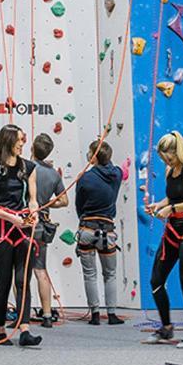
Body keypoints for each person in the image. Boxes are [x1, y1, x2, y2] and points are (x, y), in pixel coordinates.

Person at [142, 131, 183, 348]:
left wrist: (172, 208)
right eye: (163, 159)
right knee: (156, 280)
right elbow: (174, 195)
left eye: (168, 158)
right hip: (173, 229)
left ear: (177, 151)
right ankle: (167, 327)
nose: (165, 162)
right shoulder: (171, 170)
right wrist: (159, 205)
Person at [0, 124, 42, 347]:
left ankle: (25, 330)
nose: (22, 143)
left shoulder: (28, 168)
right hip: (2, 231)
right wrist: (10, 217)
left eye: (23, 140)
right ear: (8, 141)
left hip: (24, 228)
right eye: (19, 140)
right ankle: (0, 331)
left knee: (23, 280)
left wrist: (33, 210)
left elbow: (32, 198)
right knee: (5, 283)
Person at [75, 139, 123, 325]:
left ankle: (95, 314)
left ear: (93, 157)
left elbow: (79, 205)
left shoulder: (85, 178)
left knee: (90, 274)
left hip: (87, 228)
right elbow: (113, 168)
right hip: (108, 230)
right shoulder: (117, 174)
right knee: (110, 274)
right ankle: (111, 314)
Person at [30, 133, 68, 329]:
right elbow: (64, 201)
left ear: (32, 149)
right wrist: (47, 204)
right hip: (43, 224)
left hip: (26, 224)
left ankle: (22, 316)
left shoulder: (27, 169)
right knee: (40, 270)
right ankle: (46, 315)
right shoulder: (53, 174)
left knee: (19, 271)